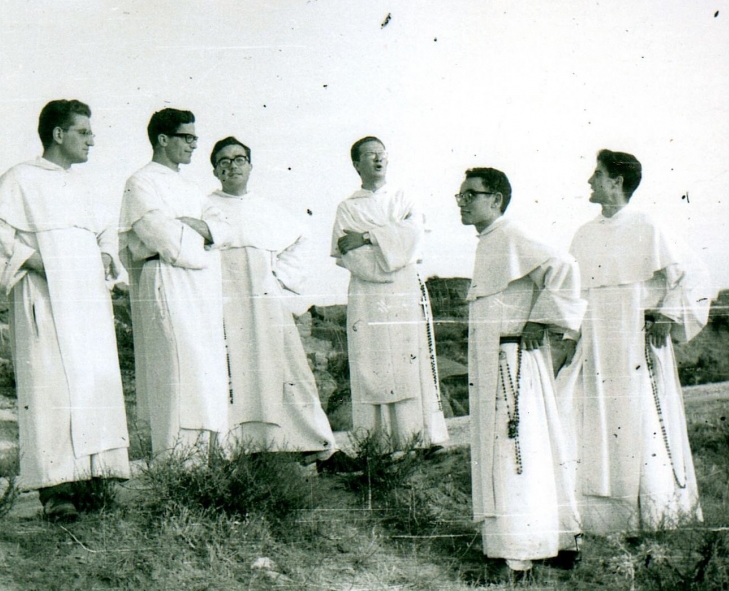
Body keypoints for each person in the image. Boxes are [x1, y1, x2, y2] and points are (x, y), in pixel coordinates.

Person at [0, 99, 131, 522]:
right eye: (84, 131)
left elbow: (104, 234)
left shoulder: (83, 185)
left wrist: (104, 255)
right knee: (52, 386)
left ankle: (94, 479)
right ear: (58, 134)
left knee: (92, 384)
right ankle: (56, 490)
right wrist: (33, 261)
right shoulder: (20, 179)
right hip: (45, 296)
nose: (92, 140)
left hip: (87, 301)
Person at [560, 149, 713, 535]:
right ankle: (594, 521)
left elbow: (694, 276)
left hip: (634, 342)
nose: (589, 181)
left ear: (617, 181)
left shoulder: (648, 225)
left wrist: (668, 314)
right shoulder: (584, 234)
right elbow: (574, 296)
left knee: (640, 424)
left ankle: (654, 518)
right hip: (595, 345)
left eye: (597, 174)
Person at [458, 167, 586, 573]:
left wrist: (540, 321)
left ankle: (521, 554)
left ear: (495, 198)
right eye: (459, 196)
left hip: (513, 360)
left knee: (517, 451)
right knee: (516, 450)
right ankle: (546, 541)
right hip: (496, 361)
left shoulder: (512, 234)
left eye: (469, 195)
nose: (461, 202)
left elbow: (565, 268)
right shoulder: (489, 241)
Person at [203, 137, 336, 462]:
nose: (232, 165)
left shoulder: (265, 208)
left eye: (239, 159)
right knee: (234, 373)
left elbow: (299, 240)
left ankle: (315, 446)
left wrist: (278, 283)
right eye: (224, 160)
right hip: (225, 303)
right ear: (215, 169)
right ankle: (243, 450)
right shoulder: (204, 205)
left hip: (266, 302)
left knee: (288, 371)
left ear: (250, 165)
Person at [119, 108, 229, 458]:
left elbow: (221, 227)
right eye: (187, 137)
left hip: (200, 286)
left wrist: (196, 228)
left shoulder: (192, 188)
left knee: (204, 367)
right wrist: (199, 235)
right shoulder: (141, 182)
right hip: (166, 279)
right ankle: (178, 462)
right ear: (163, 139)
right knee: (176, 365)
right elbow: (160, 235)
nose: (194, 145)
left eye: (196, 138)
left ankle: (210, 459)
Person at [331, 137, 448, 450]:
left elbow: (415, 238)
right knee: (372, 362)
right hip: (367, 295)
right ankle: (377, 443)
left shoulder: (404, 197)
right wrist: (386, 246)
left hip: (403, 290)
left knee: (408, 359)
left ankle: (419, 438)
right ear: (356, 164)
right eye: (369, 155)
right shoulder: (347, 208)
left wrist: (368, 236)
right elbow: (349, 255)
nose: (378, 160)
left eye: (382, 154)